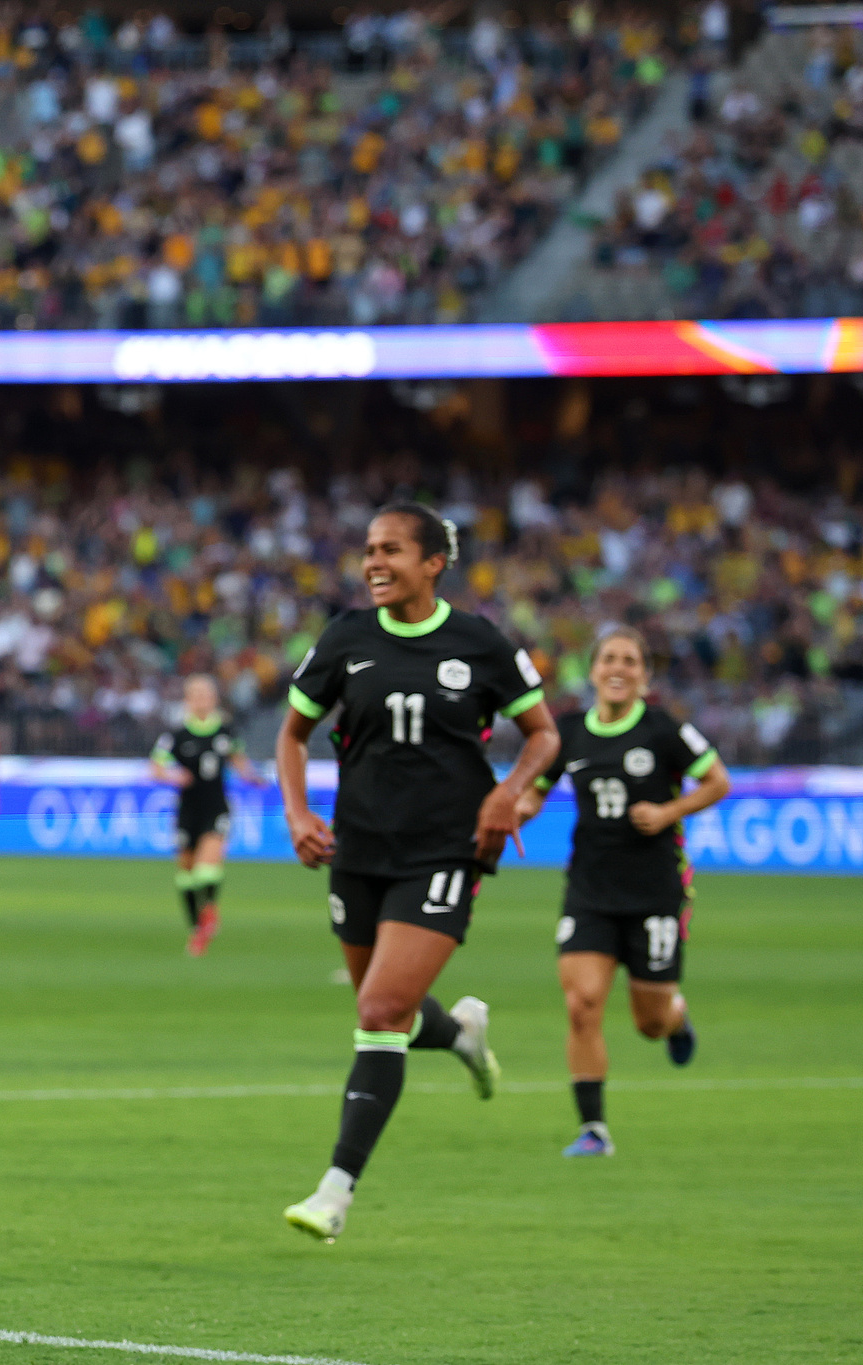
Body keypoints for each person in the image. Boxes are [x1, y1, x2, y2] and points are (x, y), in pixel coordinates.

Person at [275, 503, 560, 1241]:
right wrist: (299, 814)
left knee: (378, 1013)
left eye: (392, 549)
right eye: (369, 548)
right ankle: (461, 1032)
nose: (374, 561)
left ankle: (334, 1194)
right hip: (358, 849)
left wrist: (507, 792)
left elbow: (543, 734)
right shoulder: (346, 637)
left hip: (444, 850)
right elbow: (293, 732)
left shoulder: (479, 642)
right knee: (387, 1005)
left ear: (434, 562)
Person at [516, 624, 729, 1158]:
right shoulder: (567, 733)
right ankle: (594, 1130)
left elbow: (717, 781)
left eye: (630, 661)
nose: (618, 668)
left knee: (649, 1022)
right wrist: (509, 814)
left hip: (655, 892)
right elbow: (535, 793)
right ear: (592, 672)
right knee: (582, 1003)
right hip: (590, 889)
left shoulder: (663, 731)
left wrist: (668, 811)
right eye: (608, 658)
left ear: (644, 676)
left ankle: (677, 1019)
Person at [151, 674, 260, 956]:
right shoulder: (176, 735)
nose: (201, 699)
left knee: (207, 867)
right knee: (186, 873)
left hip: (216, 808)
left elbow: (238, 760)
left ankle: (209, 914)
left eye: (205, 694)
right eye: (195, 695)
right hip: (187, 811)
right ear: (187, 700)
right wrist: (174, 775)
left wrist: (252, 776)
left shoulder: (225, 731)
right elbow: (155, 768)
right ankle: (197, 928)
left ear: (214, 699)